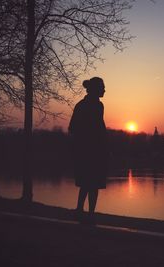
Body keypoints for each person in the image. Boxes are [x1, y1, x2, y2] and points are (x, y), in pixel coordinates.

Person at [68, 77, 108, 224]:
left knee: (89, 183)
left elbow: (100, 129)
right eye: (102, 87)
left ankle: (85, 212)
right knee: (90, 183)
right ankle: (84, 212)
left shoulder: (97, 105)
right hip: (88, 150)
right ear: (96, 89)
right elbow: (73, 128)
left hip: (93, 150)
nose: (104, 90)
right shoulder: (87, 106)